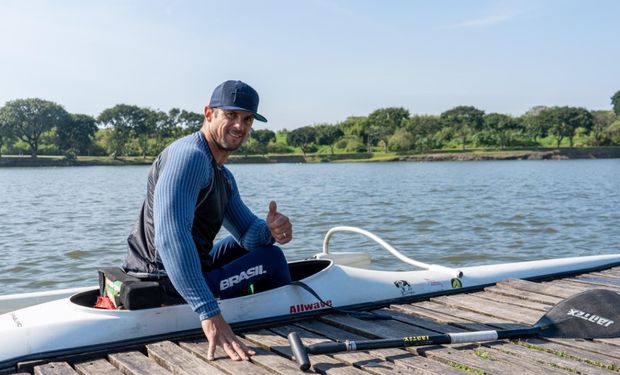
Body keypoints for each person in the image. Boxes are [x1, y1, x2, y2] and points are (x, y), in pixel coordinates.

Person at [122, 80, 293, 361]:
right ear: (209, 113)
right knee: (272, 260)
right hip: (163, 282)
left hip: (180, 271)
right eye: (231, 115)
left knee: (255, 247)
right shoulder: (189, 158)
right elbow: (171, 237)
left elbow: (248, 234)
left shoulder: (222, 175)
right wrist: (208, 311)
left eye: (247, 119)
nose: (240, 126)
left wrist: (271, 229)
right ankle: (280, 325)